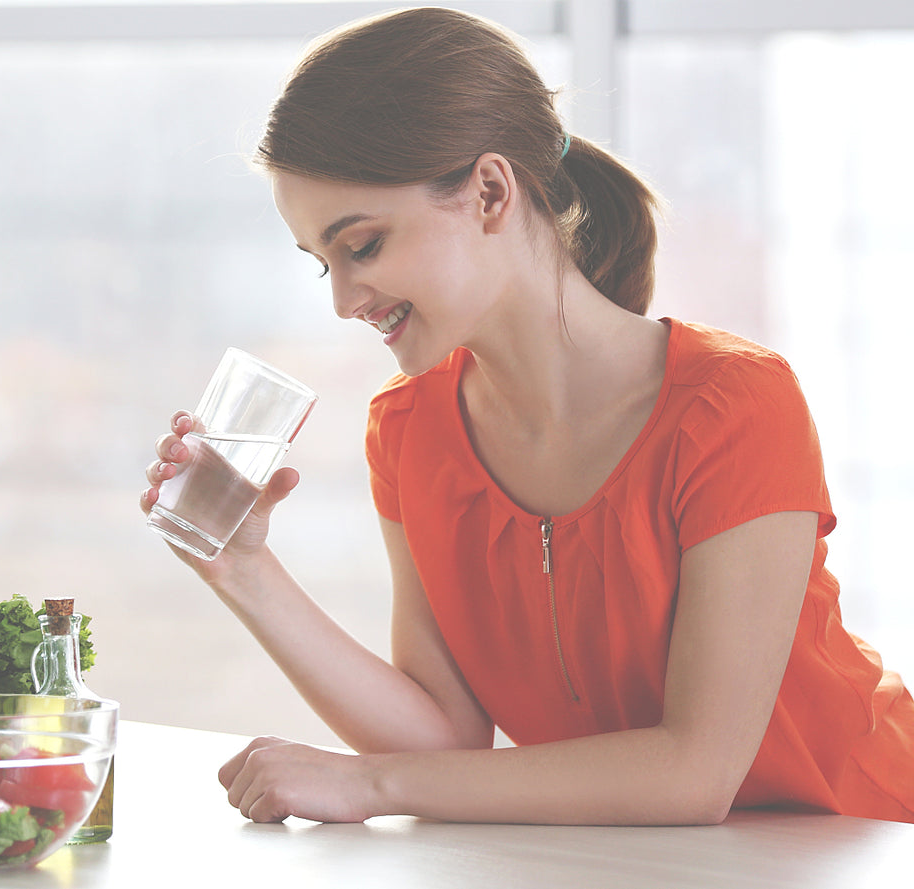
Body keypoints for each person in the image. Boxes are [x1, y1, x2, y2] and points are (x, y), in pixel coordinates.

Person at [141, 6, 914, 826]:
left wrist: (365, 784)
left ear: (488, 192)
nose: (342, 300)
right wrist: (245, 570)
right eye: (320, 263)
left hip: (870, 840)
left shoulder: (734, 407)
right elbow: (444, 741)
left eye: (361, 245)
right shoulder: (408, 431)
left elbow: (693, 771)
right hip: (653, 871)